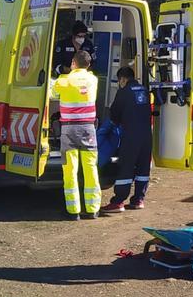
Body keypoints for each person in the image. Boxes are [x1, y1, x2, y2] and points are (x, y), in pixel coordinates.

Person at [54, 51, 101, 220]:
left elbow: (52, 92)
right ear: (88, 65)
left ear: (73, 63)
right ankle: (93, 209)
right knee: (90, 168)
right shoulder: (93, 80)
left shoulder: (64, 80)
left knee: (70, 170)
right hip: (88, 129)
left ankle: (73, 211)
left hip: (69, 130)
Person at [100, 66, 154, 214]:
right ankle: (138, 199)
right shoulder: (144, 90)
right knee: (143, 167)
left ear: (123, 79)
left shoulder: (123, 92)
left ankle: (118, 202)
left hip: (131, 135)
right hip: (147, 135)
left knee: (126, 166)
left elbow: (114, 115)